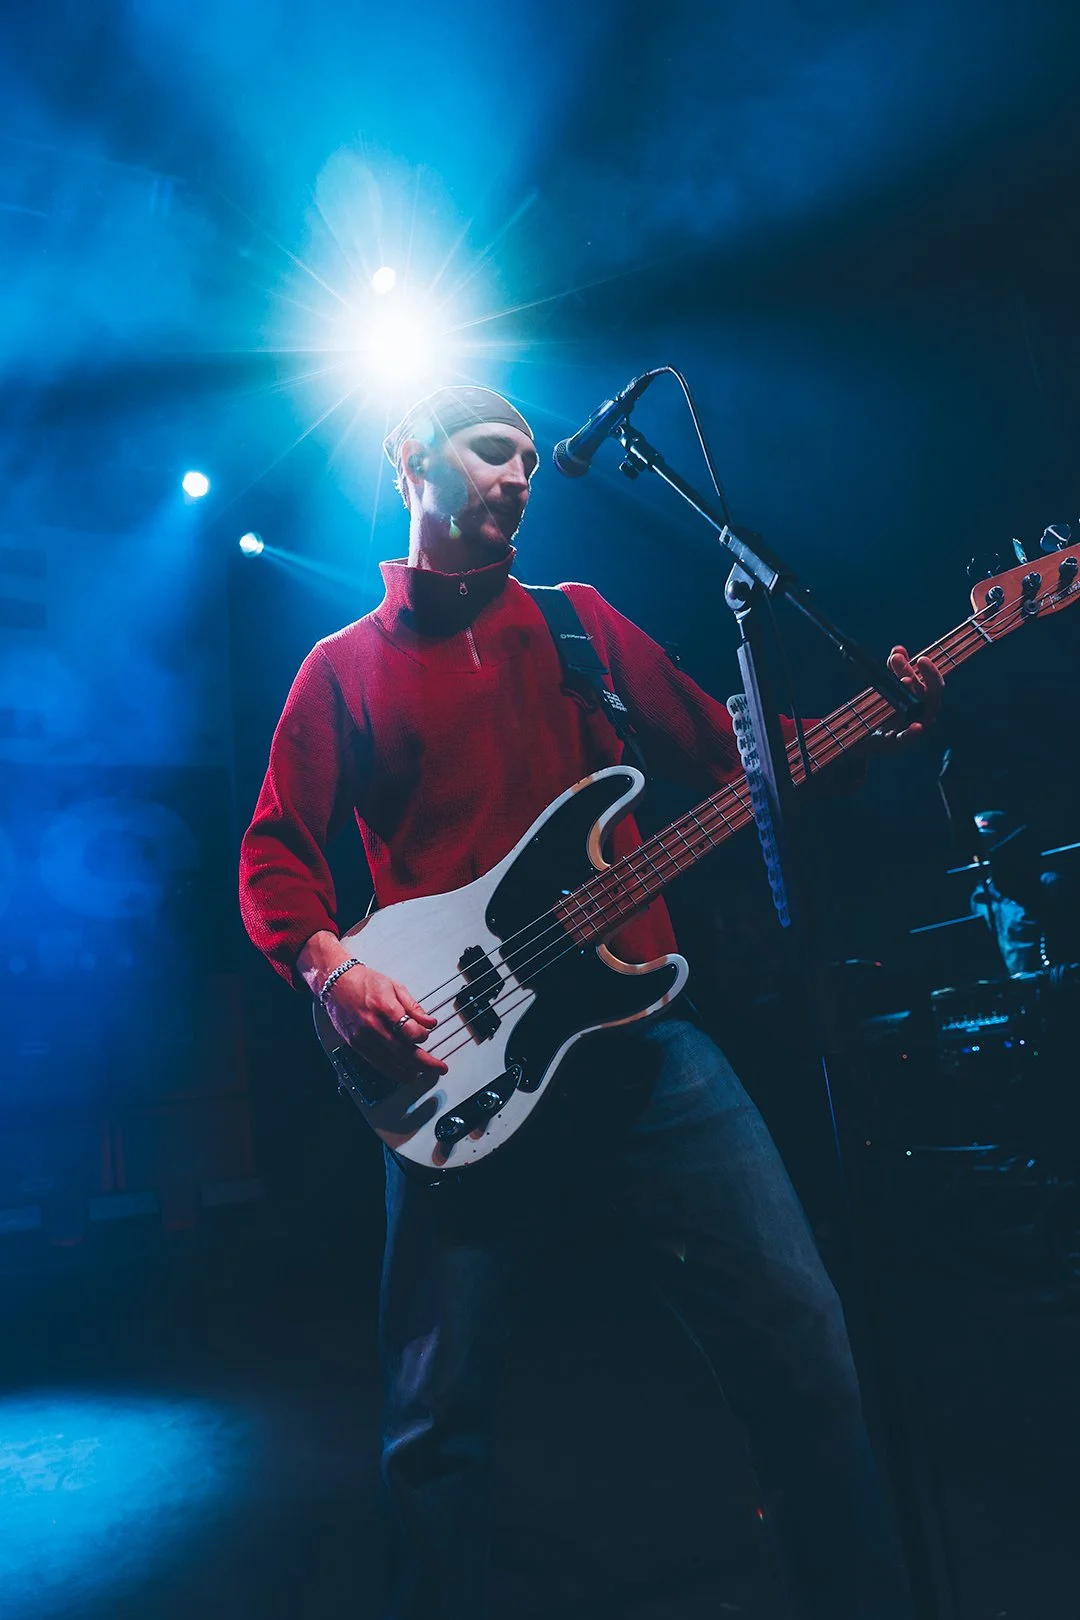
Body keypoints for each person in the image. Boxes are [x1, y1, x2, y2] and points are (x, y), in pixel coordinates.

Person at [239, 384, 943, 1619]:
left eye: (526, 456)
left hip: (640, 1048)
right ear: (415, 459)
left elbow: (742, 763)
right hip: (454, 1067)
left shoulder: (578, 627)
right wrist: (331, 967)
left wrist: (869, 727)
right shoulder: (339, 668)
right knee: (435, 1428)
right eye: (491, 450)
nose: (520, 474)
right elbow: (274, 854)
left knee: (802, 1349)